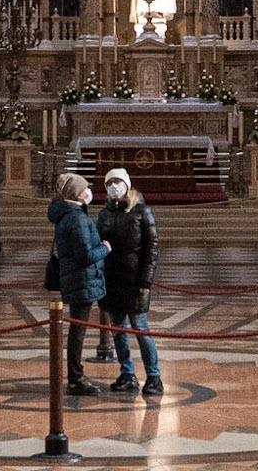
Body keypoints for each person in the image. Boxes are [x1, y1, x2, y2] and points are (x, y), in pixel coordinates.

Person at [97, 166, 162, 398]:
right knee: (117, 330)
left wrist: (146, 278)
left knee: (140, 329)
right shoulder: (104, 214)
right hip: (111, 279)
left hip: (135, 280)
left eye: (118, 181)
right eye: (109, 182)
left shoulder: (142, 211)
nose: (114, 186)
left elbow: (152, 247)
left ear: (127, 184)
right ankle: (127, 373)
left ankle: (154, 376)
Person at [47, 171, 110, 394]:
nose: (88, 192)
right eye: (84, 189)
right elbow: (85, 256)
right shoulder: (77, 219)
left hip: (74, 278)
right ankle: (75, 378)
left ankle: (76, 374)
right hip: (82, 280)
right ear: (77, 193)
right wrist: (105, 248)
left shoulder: (66, 215)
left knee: (77, 329)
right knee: (78, 331)